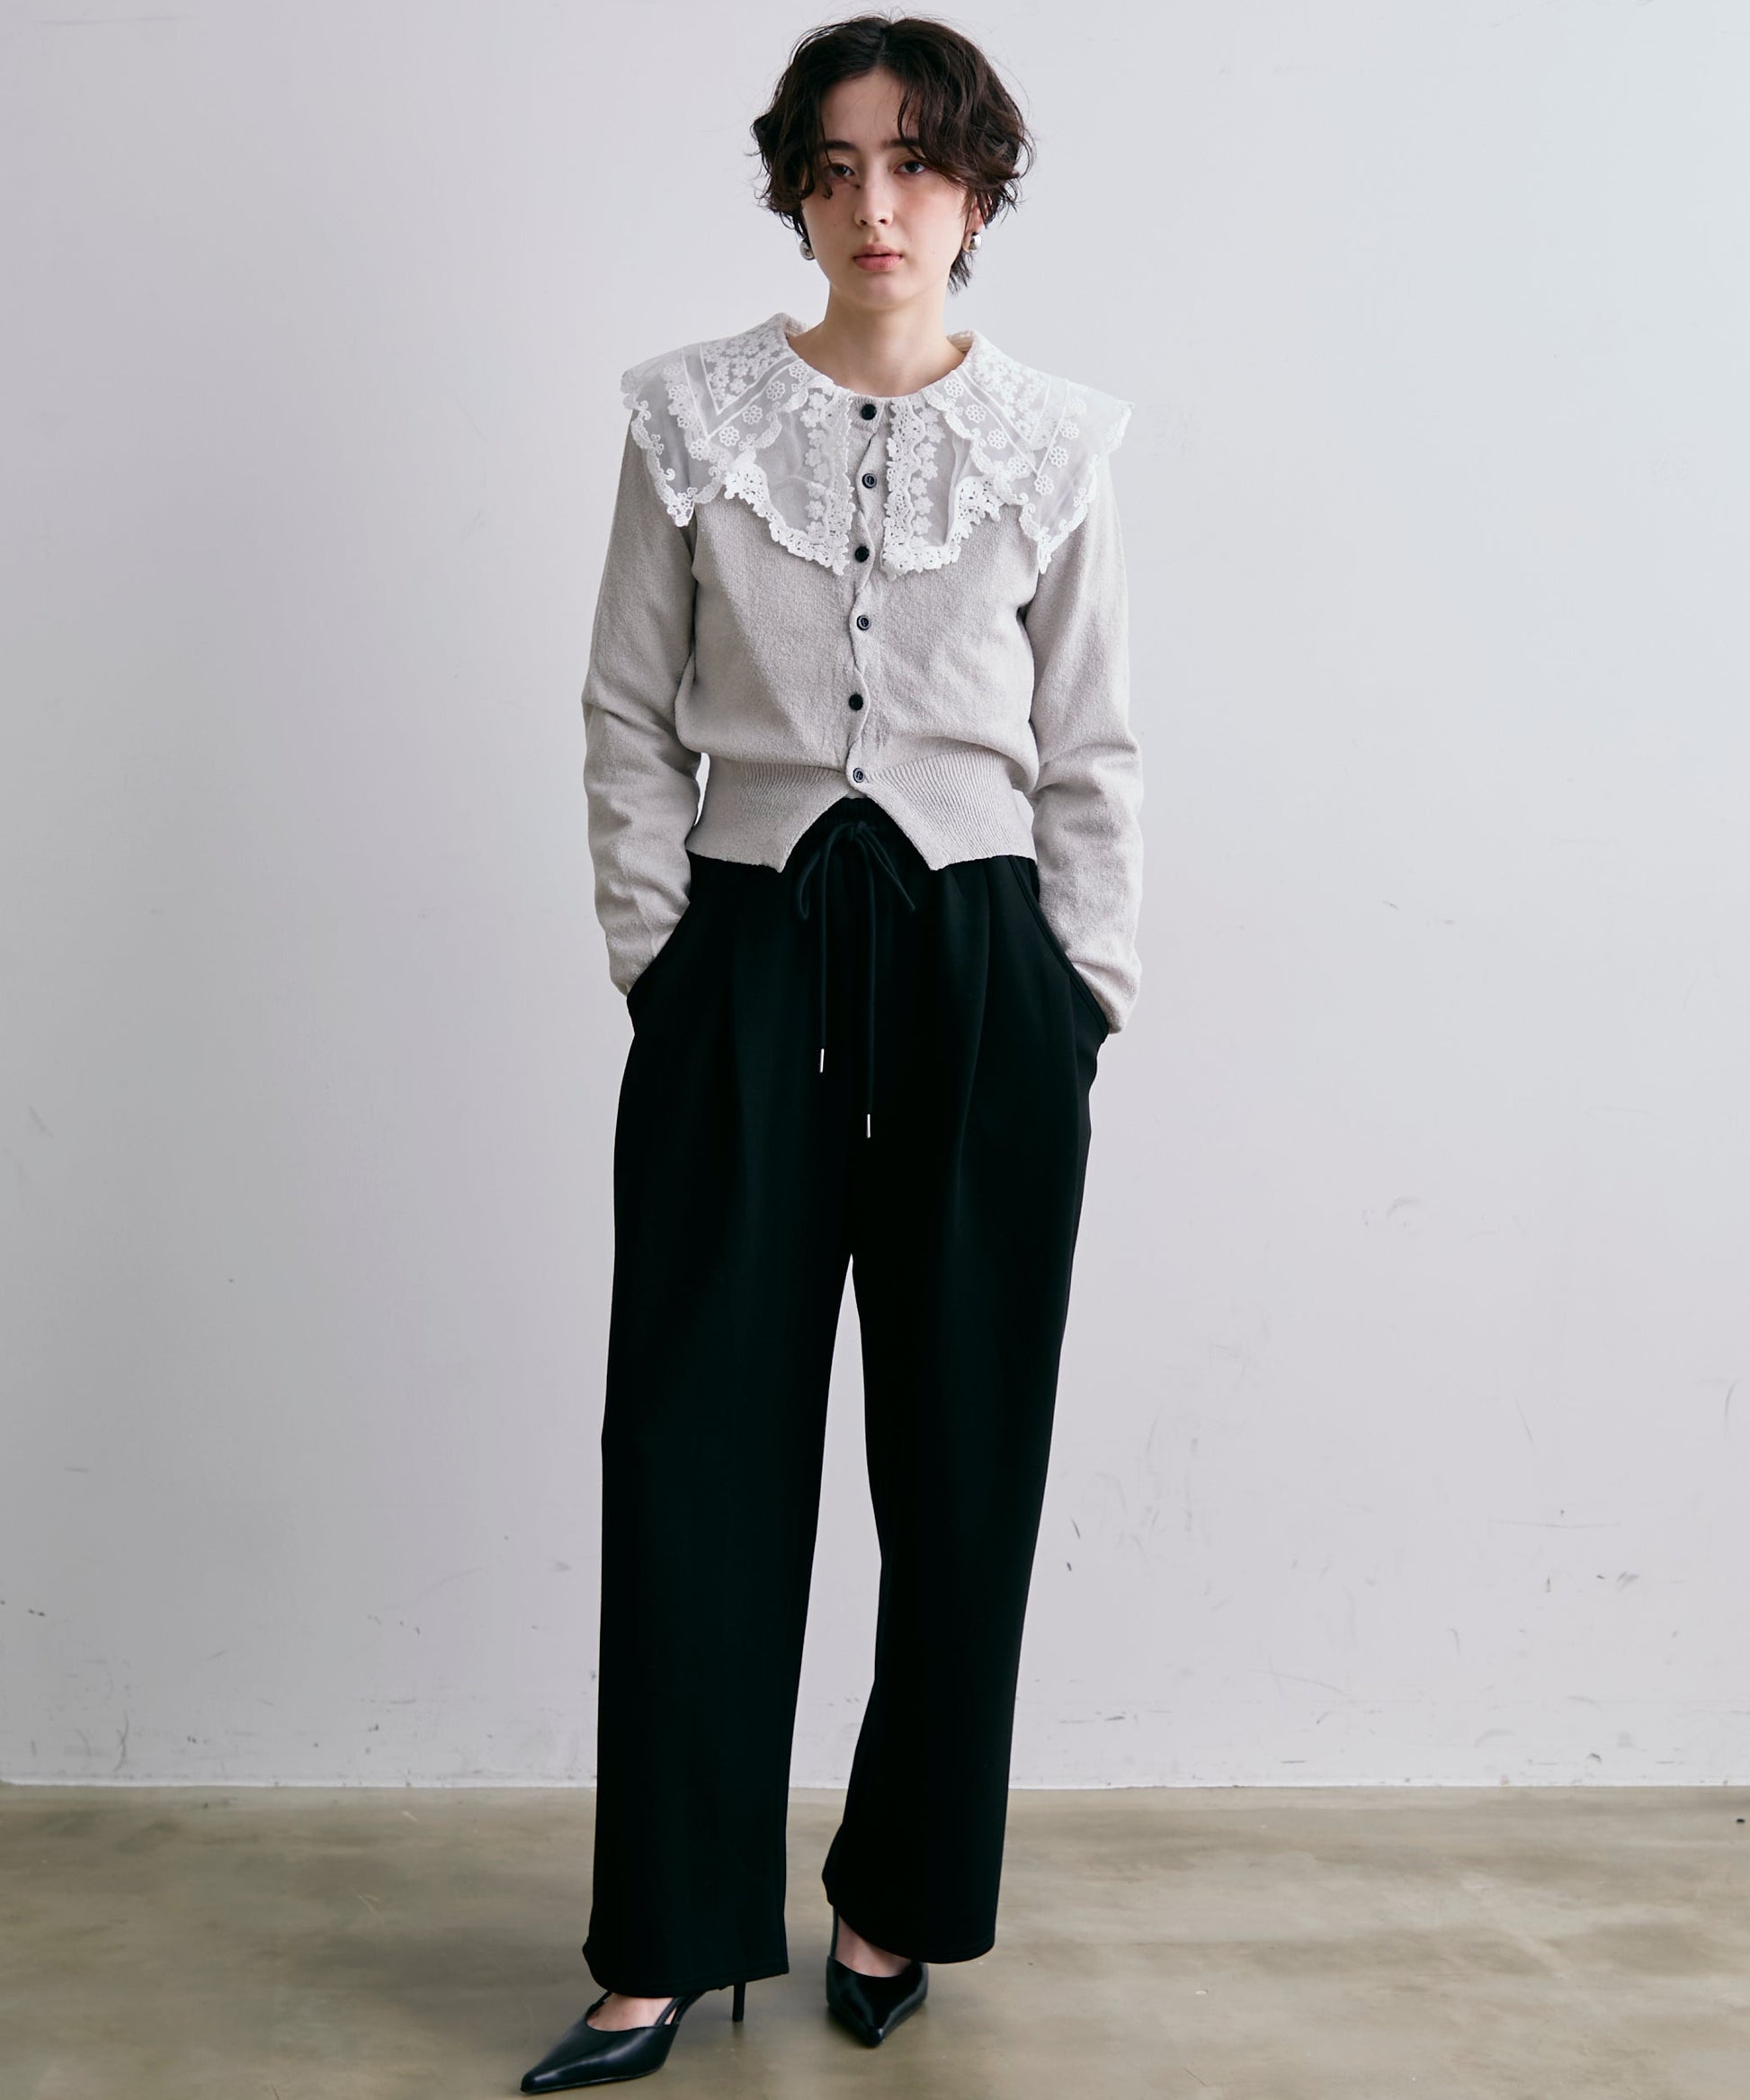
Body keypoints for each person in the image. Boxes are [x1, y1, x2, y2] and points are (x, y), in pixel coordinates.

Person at [520, 12, 1144, 2090]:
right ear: (794, 189)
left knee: (964, 1453)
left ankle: (894, 1898)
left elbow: (1093, 747)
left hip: (981, 961)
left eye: (919, 165)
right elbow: (627, 708)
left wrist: (1079, 992)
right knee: (692, 1445)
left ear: (977, 194)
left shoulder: (1056, 444)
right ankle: (665, 1933)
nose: (879, 205)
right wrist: (666, 958)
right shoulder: (688, 420)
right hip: (748, 944)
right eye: (839, 166)